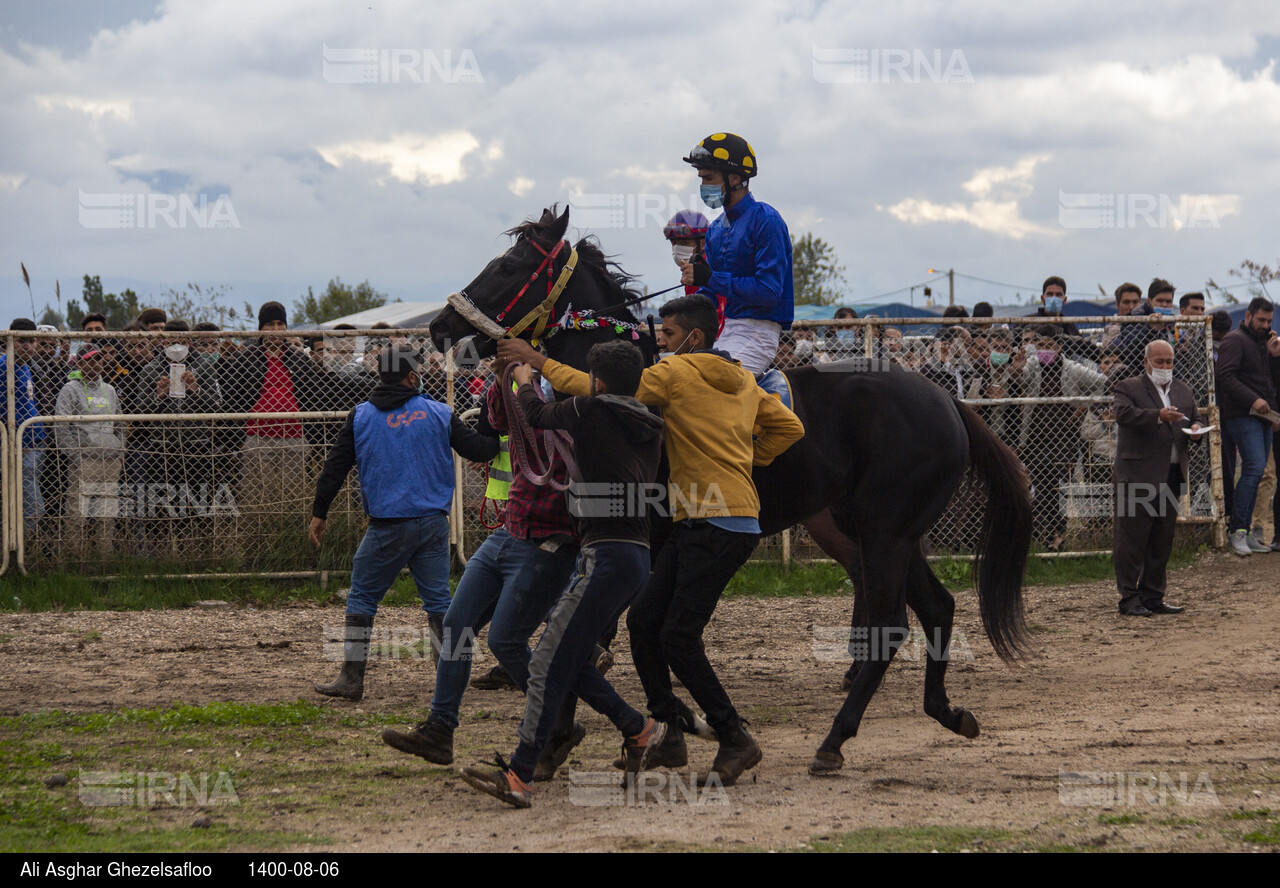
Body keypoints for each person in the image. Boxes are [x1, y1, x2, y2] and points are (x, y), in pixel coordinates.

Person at [499, 294, 806, 786]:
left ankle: (734, 736)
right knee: (644, 623)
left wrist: (537, 364)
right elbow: (788, 426)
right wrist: (748, 461)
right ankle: (670, 732)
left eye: (665, 337)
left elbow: (601, 390)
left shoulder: (676, 373)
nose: (658, 343)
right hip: (723, 516)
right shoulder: (745, 381)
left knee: (678, 637)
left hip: (713, 521)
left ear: (694, 338)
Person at [459, 341, 667, 808]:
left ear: (597, 380)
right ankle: (639, 728)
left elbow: (534, 414)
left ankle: (520, 774)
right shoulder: (650, 423)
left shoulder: (591, 410)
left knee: (548, 663)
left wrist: (526, 376)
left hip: (605, 556)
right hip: (635, 555)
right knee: (566, 658)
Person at [310, 347, 497, 700]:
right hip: (432, 524)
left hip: (386, 527)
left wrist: (320, 512)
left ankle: (351, 679)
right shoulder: (439, 412)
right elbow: (480, 450)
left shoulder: (361, 416)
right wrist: (498, 424)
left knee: (363, 596)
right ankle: (450, 678)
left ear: (379, 376)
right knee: (439, 600)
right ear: (412, 378)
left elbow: (334, 467)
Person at [680, 133, 793, 375]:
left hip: (760, 333)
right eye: (701, 179)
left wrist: (710, 278)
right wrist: (679, 313)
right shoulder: (716, 229)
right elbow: (709, 297)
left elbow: (769, 292)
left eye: (708, 178)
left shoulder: (766, 220)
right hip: (728, 330)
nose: (703, 187)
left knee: (711, 384)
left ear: (734, 178)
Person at [1112, 340, 1205, 616]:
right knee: (1131, 539)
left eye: (1169, 362)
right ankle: (1129, 598)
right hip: (1137, 475)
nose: (1165, 367)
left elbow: (1194, 417)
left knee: (1161, 539)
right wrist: (1158, 416)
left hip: (1171, 475)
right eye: (1160, 362)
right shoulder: (1128, 387)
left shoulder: (1183, 390)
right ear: (1147, 362)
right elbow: (1123, 414)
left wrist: (1198, 428)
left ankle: (1152, 595)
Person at [222, 302, 326, 520]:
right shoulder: (245, 359)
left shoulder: (299, 359)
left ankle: (289, 542)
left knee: (294, 499)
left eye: (281, 324)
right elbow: (231, 400)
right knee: (257, 500)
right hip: (256, 438)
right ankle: (257, 543)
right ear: (261, 328)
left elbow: (315, 398)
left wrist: (311, 437)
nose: (276, 330)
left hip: (295, 438)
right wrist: (237, 439)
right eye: (270, 324)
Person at [1214, 297, 1280, 555]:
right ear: (1248, 316)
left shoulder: (1262, 344)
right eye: (1261, 320)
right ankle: (1237, 530)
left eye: (1269, 320)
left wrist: (1274, 356)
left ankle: (1248, 531)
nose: (1265, 325)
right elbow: (1225, 376)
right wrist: (1253, 399)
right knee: (1253, 469)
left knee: (1259, 471)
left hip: (1263, 416)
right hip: (1242, 414)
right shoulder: (1234, 340)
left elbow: (1270, 381)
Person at [54, 345, 125, 561]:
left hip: (109, 461)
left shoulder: (110, 390)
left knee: (106, 513)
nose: (94, 363)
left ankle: (104, 559)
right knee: (77, 513)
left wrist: (119, 451)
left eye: (98, 359)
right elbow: (60, 426)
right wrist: (76, 456)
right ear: (80, 363)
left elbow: (121, 424)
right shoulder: (70, 389)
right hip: (83, 461)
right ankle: (74, 558)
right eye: (89, 360)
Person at [3, 319, 49, 540]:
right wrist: (12, 441)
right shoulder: (5, 367)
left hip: (36, 443)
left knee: (29, 505)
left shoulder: (25, 366)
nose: (29, 347)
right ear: (10, 340)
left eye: (32, 341)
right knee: (33, 509)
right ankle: (20, 554)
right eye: (22, 341)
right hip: (20, 446)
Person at [663, 210, 710, 297]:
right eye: (673, 243)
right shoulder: (690, 272)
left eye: (684, 243)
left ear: (702, 243)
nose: (677, 248)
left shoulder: (715, 270)